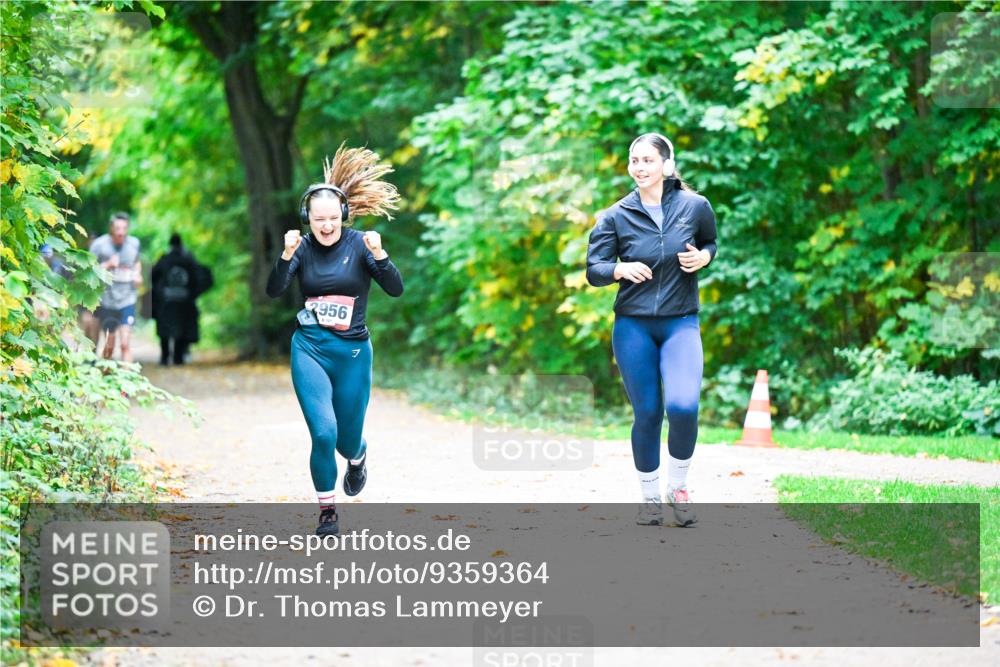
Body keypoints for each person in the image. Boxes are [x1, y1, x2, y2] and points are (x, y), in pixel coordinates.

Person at [267, 144, 402, 536]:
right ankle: (327, 511)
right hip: (309, 347)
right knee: (323, 432)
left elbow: (395, 289)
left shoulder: (361, 244)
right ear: (306, 219)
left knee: (345, 442)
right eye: (317, 219)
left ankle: (357, 457)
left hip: (354, 353)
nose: (326, 226)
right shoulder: (302, 247)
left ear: (343, 215)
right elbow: (275, 290)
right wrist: (285, 255)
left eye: (332, 218)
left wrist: (381, 256)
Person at [586, 133, 718, 527]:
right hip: (633, 327)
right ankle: (648, 498)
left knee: (683, 406)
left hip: (681, 323)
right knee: (647, 412)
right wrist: (618, 269)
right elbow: (594, 269)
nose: (640, 167)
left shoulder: (695, 207)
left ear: (666, 165)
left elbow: (710, 241)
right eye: (634, 160)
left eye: (647, 160)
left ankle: (678, 488)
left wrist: (704, 257)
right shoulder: (615, 215)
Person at [152, 233, 213, 366]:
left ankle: (164, 357)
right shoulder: (188, 261)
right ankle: (178, 358)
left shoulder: (163, 260)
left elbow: (152, 277)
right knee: (181, 329)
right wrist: (193, 293)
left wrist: (159, 295)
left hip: (165, 302)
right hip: (184, 301)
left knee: (164, 329)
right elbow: (202, 277)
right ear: (181, 244)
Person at [89, 212, 143, 362]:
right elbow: (88, 270)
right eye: (117, 228)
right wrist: (107, 265)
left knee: (125, 345)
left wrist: (138, 275)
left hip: (127, 300)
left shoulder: (134, 244)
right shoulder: (99, 245)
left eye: (124, 228)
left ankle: (128, 380)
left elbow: (136, 261)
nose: (121, 232)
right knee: (110, 346)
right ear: (111, 228)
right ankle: (107, 378)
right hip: (107, 301)